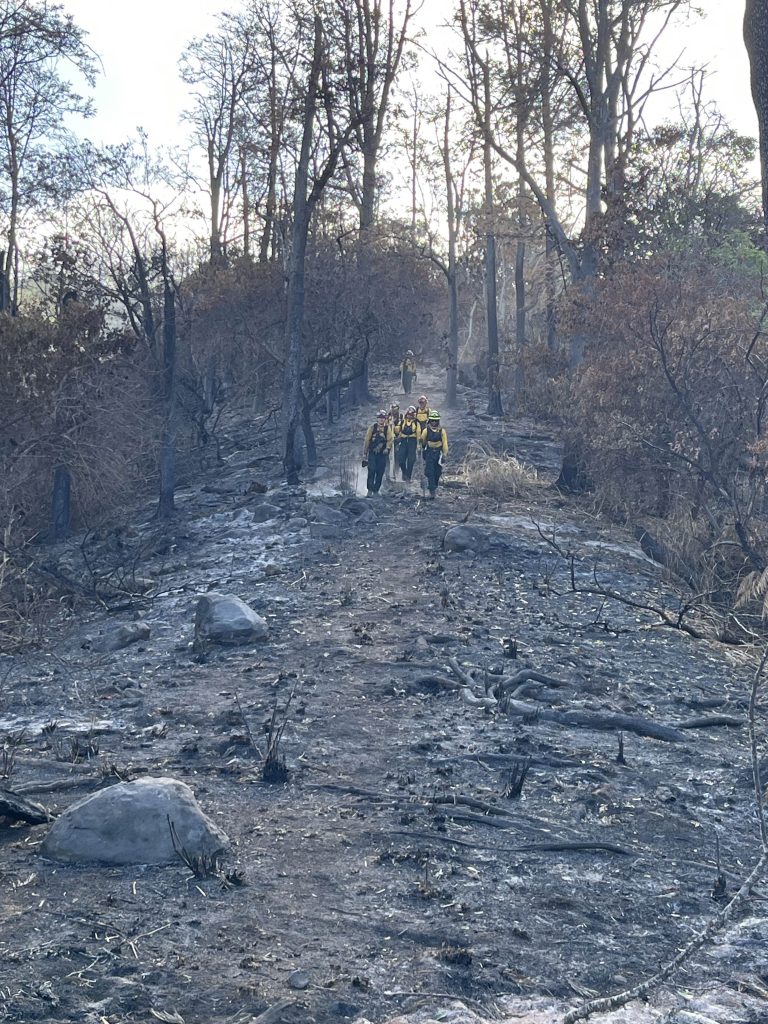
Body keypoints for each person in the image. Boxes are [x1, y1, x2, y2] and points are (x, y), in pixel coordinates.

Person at [362, 410, 393, 496]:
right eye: (380, 418)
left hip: (382, 454)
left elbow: (390, 440)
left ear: (385, 419)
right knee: (371, 470)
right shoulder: (372, 427)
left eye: (383, 418)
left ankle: (376, 490)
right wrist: (365, 453)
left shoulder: (387, 429)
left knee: (380, 472)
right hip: (372, 453)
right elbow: (367, 440)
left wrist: (387, 448)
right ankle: (370, 490)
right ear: (377, 419)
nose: (381, 420)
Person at [421, 409, 448, 499]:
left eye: (435, 420)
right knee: (430, 471)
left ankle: (434, 485)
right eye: (432, 420)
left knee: (437, 472)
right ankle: (432, 491)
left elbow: (445, 443)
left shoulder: (442, 431)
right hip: (429, 453)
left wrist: (445, 454)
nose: (434, 422)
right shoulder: (426, 431)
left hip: (438, 453)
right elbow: (423, 441)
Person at [398, 405, 420, 482]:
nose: (409, 416)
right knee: (401, 459)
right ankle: (404, 472)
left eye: (411, 414)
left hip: (412, 441)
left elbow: (418, 434)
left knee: (411, 460)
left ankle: (408, 477)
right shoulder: (402, 421)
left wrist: (418, 445)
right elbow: (398, 431)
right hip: (403, 441)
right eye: (408, 414)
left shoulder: (416, 423)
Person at [388, 402, 404, 480]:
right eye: (393, 408)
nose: (394, 410)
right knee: (388, 457)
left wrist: (399, 436)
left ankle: (396, 473)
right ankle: (387, 474)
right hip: (388, 439)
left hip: (397, 439)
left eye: (396, 408)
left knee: (397, 456)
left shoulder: (401, 417)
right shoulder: (388, 417)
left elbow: (403, 428)